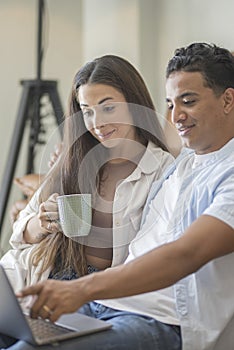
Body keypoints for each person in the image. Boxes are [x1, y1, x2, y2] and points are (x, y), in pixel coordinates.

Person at [3, 42, 234, 350]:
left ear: (228, 100)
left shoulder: (210, 172)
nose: (176, 116)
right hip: (105, 302)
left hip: (159, 318)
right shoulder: (184, 165)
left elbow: (185, 255)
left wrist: (81, 289)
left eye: (188, 101)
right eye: (170, 104)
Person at [0, 54, 173, 292]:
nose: (97, 123)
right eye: (87, 111)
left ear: (135, 104)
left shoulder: (162, 170)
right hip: (43, 276)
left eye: (108, 108)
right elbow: (19, 235)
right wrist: (41, 224)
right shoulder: (74, 158)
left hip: (102, 290)